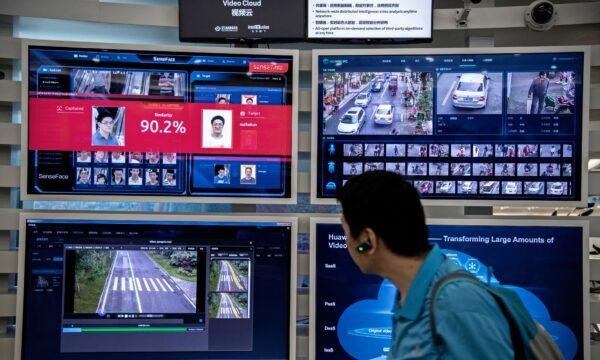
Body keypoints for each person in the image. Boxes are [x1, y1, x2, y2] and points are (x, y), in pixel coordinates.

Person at [336, 171, 516, 359]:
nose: (346, 241)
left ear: (367, 241)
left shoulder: (456, 303)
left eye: (345, 232)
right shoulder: (410, 296)